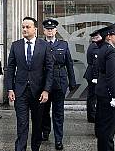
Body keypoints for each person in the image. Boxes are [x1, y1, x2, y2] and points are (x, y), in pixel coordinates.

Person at [6, 16, 54, 151]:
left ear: (35, 29)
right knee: (22, 123)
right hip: (20, 91)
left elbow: (50, 69)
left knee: (38, 124)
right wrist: (10, 88)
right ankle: (20, 148)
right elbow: (10, 68)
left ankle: (35, 147)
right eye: (23, 27)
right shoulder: (16, 45)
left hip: (38, 92)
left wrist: (46, 90)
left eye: (28, 27)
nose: (25, 29)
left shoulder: (44, 46)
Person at [41, 19, 76, 150]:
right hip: (44, 83)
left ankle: (58, 139)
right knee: (44, 110)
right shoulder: (40, 44)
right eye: (47, 29)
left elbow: (69, 64)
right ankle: (45, 132)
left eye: (52, 29)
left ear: (56, 30)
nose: (50, 31)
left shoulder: (63, 44)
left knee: (58, 112)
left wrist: (72, 82)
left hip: (59, 81)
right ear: (44, 31)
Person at [95, 23, 115, 151]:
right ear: (109, 37)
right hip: (108, 94)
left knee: (102, 127)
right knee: (108, 129)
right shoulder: (110, 51)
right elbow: (111, 76)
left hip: (101, 91)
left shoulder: (102, 48)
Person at [84, 30, 102, 123]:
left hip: (91, 73)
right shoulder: (95, 46)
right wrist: (96, 76)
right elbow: (95, 63)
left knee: (92, 96)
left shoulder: (93, 45)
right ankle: (92, 115)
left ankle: (92, 115)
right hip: (93, 74)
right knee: (93, 96)